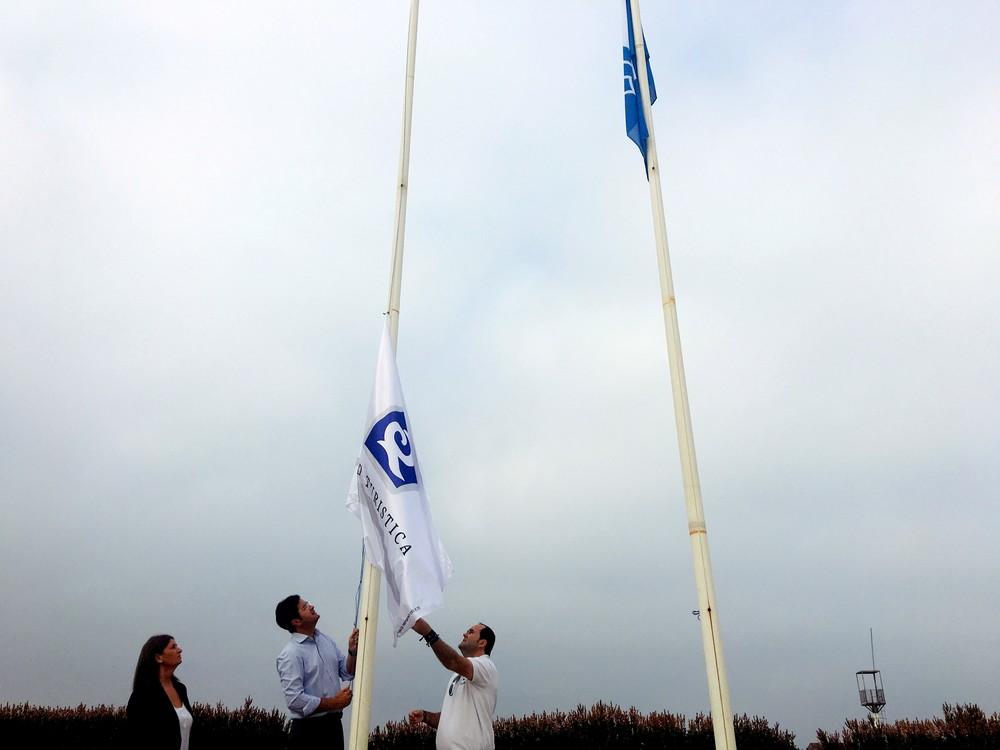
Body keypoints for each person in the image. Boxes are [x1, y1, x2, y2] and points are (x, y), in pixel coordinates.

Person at [275, 594, 359, 749]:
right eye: (305, 607)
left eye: (308, 603)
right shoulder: (290, 654)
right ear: (296, 621)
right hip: (308, 733)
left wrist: (352, 652)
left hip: (333, 728)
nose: (311, 606)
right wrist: (335, 703)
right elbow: (295, 701)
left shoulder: (325, 640)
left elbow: (347, 672)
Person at [407, 618, 498, 750]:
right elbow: (449, 719)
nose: (464, 634)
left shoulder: (486, 666)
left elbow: (453, 661)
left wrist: (428, 633)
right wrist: (426, 716)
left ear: (482, 643)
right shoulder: (457, 675)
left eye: (470, 632)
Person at [126, 634, 195, 750]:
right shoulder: (143, 695)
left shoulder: (180, 689)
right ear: (158, 657)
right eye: (173, 647)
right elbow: (136, 739)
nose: (179, 650)